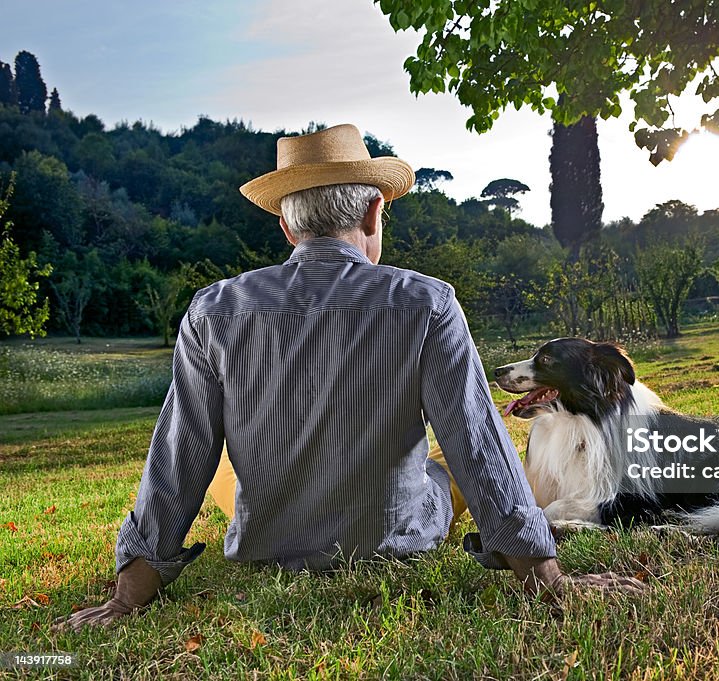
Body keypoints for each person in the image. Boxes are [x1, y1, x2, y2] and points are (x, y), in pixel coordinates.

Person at [55, 124, 642, 631]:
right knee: (443, 467)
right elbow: (479, 449)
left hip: (266, 551)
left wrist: (127, 596)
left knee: (221, 474)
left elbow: (179, 459)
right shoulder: (428, 304)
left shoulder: (214, 310)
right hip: (396, 546)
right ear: (372, 212)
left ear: (289, 228)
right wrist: (549, 579)